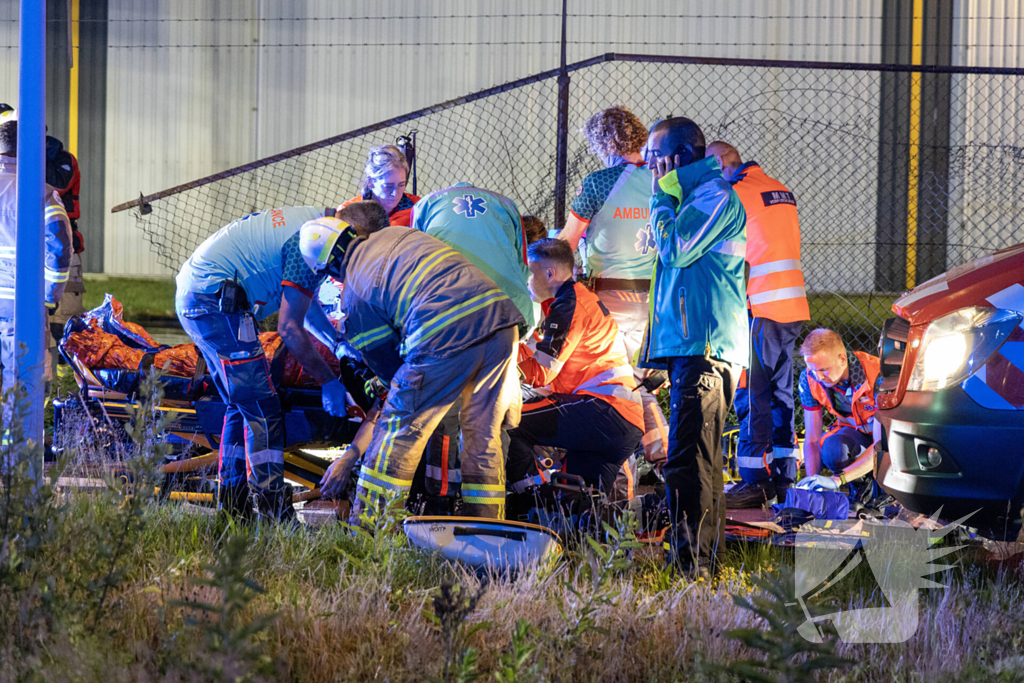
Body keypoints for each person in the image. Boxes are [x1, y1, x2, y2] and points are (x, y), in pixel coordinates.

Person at [332, 201, 524, 521]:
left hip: (446, 333)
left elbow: (388, 366)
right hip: (502, 324)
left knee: (400, 428)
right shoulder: (399, 234)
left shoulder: (354, 292)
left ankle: (370, 531)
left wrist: (407, 388)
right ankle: (486, 528)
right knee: (482, 435)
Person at [175, 204, 359, 522]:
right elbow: (289, 327)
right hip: (214, 303)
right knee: (263, 408)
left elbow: (305, 306)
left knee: (242, 405)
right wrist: (329, 381)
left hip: (201, 295)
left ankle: (234, 507)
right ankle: (274, 514)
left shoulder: (313, 225)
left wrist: (338, 344)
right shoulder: (310, 241)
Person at [638, 117, 748, 577]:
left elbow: (676, 249)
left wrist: (660, 198)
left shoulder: (713, 195)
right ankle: (700, 563)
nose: (650, 166)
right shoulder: (694, 196)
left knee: (688, 460)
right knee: (697, 459)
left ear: (679, 156)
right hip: (692, 346)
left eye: (654, 157)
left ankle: (693, 567)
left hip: (705, 347)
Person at [557, 106, 669, 470]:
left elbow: (566, 244)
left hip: (609, 299)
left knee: (614, 391)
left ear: (606, 142)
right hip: (654, 303)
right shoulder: (663, 181)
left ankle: (630, 481)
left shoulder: (600, 182)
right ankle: (665, 464)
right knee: (633, 382)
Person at [410, 183, 535, 506]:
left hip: (451, 312)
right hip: (506, 314)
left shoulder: (425, 205)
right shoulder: (506, 204)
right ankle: (489, 508)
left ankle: (441, 501)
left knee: (446, 414)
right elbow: (521, 264)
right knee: (492, 416)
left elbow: (415, 259)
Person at [707, 142, 811, 509]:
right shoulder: (779, 189)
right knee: (781, 392)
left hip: (759, 305)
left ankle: (754, 480)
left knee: (752, 393)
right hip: (791, 304)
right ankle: (784, 475)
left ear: (720, 164)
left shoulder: (733, 194)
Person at [506, 238, 644, 499]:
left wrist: (501, 365)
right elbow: (546, 357)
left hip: (603, 407)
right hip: (622, 420)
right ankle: (637, 517)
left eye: (529, 272)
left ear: (549, 273)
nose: (526, 280)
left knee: (509, 422)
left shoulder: (569, 304)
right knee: (578, 505)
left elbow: (543, 371)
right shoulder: (577, 300)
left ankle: (529, 499)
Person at [0, 119, 73, 394]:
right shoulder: (39, 193)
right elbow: (58, 249)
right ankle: (15, 438)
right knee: (21, 385)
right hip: (21, 304)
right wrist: (50, 295)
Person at [795, 329, 877, 492]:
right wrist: (812, 483)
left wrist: (837, 480)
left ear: (842, 359)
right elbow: (812, 438)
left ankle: (883, 490)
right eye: (813, 369)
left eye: (823, 369)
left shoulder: (878, 374)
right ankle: (861, 489)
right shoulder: (808, 379)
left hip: (889, 441)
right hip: (858, 435)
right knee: (834, 449)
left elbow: (884, 444)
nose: (818, 377)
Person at [340, 145, 420, 226]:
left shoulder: (419, 207)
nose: (395, 193)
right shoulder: (347, 213)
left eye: (401, 185)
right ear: (370, 182)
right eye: (388, 186)